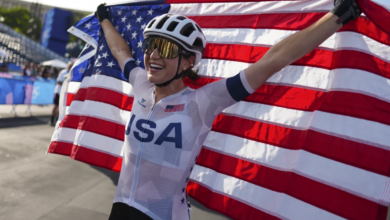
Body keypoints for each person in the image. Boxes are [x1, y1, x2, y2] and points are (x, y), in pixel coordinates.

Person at [95, 0, 361, 219]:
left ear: (188, 61)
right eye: (150, 45)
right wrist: (104, 18)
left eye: (165, 48)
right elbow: (120, 50)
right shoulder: (141, 83)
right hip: (119, 209)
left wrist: (338, 16)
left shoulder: (202, 102)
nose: (153, 55)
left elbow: (274, 60)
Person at [50, 61, 73, 126]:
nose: (70, 67)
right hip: (59, 91)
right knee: (56, 106)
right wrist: (65, 81)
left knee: (60, 107)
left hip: (65, 93)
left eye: (71, 66)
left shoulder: (72, 73)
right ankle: (52, 120)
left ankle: (57, 121)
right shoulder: (63, 72)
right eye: (69, 65)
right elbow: (58, 82)